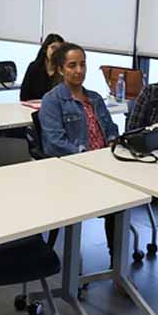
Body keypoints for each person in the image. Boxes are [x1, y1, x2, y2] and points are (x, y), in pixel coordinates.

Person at [40, 43, 120, 261]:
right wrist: (87, 156)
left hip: (104, 166)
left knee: (123, 200)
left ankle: (117, 264)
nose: (79, 70)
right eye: (72, 65)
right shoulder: (52, 100)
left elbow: (110, 128)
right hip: (74, 172)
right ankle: (76, 270)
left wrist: (113, 141)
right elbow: (54, 143)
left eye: (83, 64)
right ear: (60, 69)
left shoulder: (94, 98)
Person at [20, 33, 64, 101]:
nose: (56, 51)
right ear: (46, 49)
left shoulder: (63, 70)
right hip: (33, 108)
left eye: (59, 49)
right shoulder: (34, 67)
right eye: (53, 47)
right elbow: (23, 96)